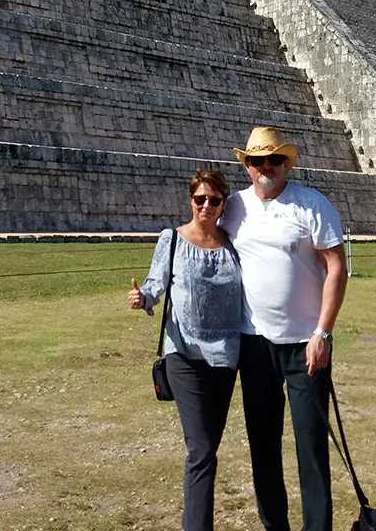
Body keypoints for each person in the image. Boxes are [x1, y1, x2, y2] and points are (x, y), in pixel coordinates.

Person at [219, 126, 348, 531]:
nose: (266, 167)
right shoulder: (233, 207)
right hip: (254, 343)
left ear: (285, 163)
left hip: (305, 344)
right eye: (257, 161)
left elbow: (336, 267)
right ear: (247, 166)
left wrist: (323, 333)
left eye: (273, 159)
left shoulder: (311, 204)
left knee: (311, 445)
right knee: (262, 443)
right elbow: (202, 240)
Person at [128, 168, 242, 531]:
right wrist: (143, 297)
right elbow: (155, 283)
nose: (206, 206)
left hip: (226, 356)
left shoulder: (234, 244)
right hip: (184, 353)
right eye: (199, 199)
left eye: (214, 200)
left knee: (207, 450)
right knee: (202, 449)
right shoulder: (173, 240)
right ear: (190, 200)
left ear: (223, 204)